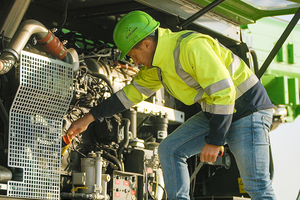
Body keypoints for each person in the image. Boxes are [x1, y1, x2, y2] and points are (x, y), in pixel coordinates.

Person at [67, 10, 277, 200]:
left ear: (147, 44)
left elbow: (224, 92)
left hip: (248, 110)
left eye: (134, 55)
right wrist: (89, 118)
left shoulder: (190, 47)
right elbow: (129, 95)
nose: (136, 63)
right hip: (217, 110)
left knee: (256, 186)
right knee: (170, 149)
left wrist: (215, 140)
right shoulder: (157, 67)